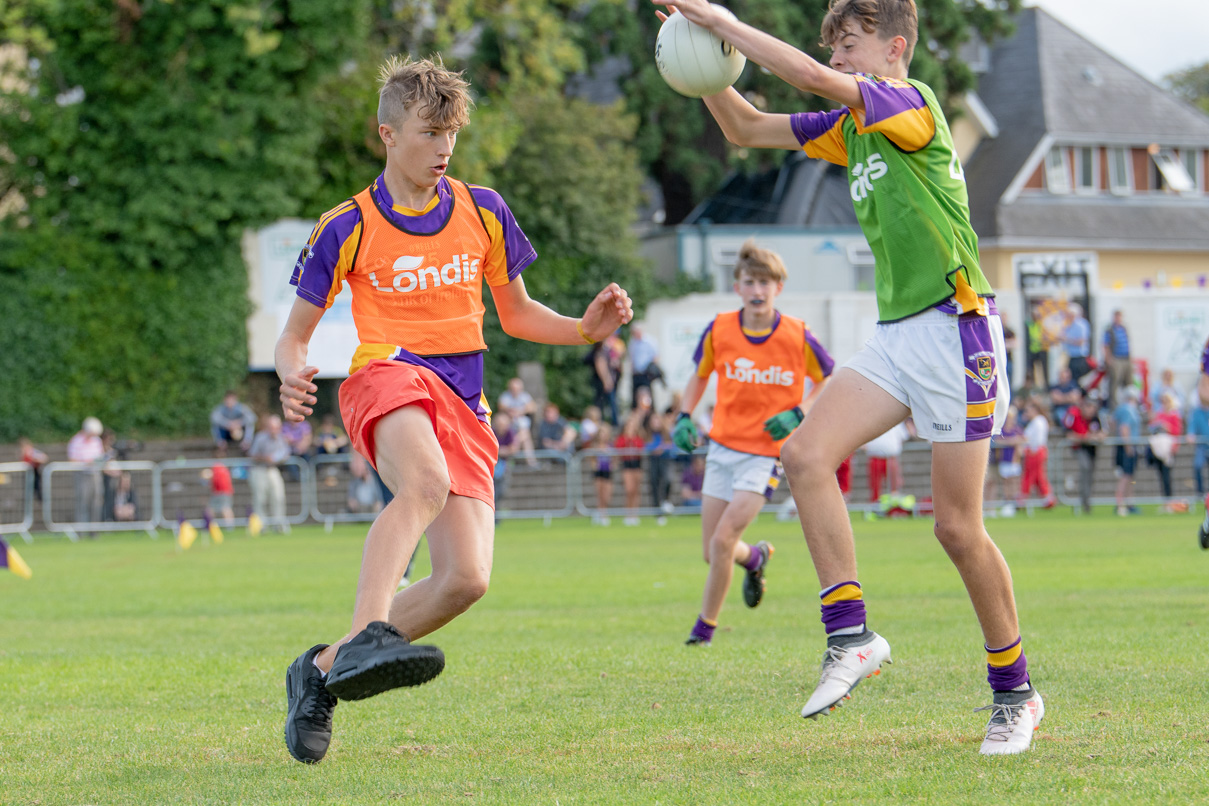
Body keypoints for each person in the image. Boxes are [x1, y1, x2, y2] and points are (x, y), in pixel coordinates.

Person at [652, 0, 1041, 753]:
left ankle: (1015, 693)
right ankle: (851, 636)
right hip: (897, 334)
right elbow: (742, 127)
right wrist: (694, 56)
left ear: (894, 48)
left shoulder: (911, 104)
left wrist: (722, 20)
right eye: (831, 46)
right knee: (802, 456)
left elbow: (795, 74)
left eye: (849, 44)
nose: (834, 58)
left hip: (958, 330)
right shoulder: (850, 128)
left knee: (956, 528)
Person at [274, 54, 632, 764]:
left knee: (466, 579)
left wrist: (587, 330)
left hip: (463, 399)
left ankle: (319, 672)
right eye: (428, 132)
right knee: (424, 485)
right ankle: (369, 631)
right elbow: (292, 337)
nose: (442, 148)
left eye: (451, 134)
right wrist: (291, 375)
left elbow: (520, 315)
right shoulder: (345, 224)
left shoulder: (483, 209)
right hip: (388, 376)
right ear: (386, 133)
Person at [671, 240, 833, 647]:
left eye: (765, 281)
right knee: (714, 552)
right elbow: (700, 375)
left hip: (765, 455)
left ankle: (703, 630)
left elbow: (828, 378)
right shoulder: (720, 328)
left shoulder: (797, 334)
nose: (757, 290)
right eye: (749, 281)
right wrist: (684, 415)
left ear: (778, 287)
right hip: (724, 448)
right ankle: (755, 558)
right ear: (737, 287)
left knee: (724, 540)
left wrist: (800, 411)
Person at [248, 414, 290, 532]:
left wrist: (280, 458)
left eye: (277, 427)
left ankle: (279, 524)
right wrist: (265, 458)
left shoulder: (281, 438)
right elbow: (252, 455)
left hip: (273, 470)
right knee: (260, 499)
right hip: (259, 470)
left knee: (278, 497)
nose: (275, 430)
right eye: (272, 427)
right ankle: (261, 526)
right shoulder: (260, 437)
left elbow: (286, 453)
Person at [1063, 395, 1103, 514]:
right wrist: (1085, 438)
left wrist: (1097, 436)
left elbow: (1101, 432)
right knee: (1084, 469)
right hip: (1079, 447)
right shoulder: (1074, 415)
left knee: (1090, 474)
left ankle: (1087, 500)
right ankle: (1084, 502)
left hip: (1092, 448)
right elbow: (1068, 434)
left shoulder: (1095, 418)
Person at [66, 416, 105, 527]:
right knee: (82, 502)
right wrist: (86, 463)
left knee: (96, 502)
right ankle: (81, 530)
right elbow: (72, 460)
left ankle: (95, 530)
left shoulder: (97, 441)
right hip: (82, 474)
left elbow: (100, 456)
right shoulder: (76, 441)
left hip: (95, 473)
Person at [1018, 396, 1055, 508]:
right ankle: (1047, 499)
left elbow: (1036, 439)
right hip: (1034, 450)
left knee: (1030, 475)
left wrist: (1031, 450)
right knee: (1038, 476)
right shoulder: (1036, 421)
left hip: (1035, 451)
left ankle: (1022, 499)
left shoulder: (1038, 422)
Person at [1147, 392, 1183, 508]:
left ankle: (1170, 501)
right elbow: (1152, 427)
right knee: (1161, 475)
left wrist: (1167, 427)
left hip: (1168, 448)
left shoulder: (1174, 415)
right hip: (1159, 449)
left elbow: (1177, 432)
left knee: (1167, 476)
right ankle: (1165, 501)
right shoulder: (1159, 414)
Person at [1111, 385, 1142, 517]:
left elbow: (1112, 423)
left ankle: (1129, 503)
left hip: (1127, 445)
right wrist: (1128, 446)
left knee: (1130, 476)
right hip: (1127, 446)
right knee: (1125, 475)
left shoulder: (1123, 409)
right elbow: (1124, 428)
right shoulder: (1127, 410)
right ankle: (1120, 503)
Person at [862, 421, 909, 503]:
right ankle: (875, 504)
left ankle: (893, 505)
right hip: (875, 457)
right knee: (875, 485)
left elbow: (903, 436)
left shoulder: (895, 420)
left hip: (891, 457)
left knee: (894, 484)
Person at [614, 411, 646, 526]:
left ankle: (635, 515)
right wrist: (628, 439)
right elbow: (619, 447)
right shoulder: (622, 437)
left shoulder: (638, 437)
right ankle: (628, 514)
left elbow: (641, 448)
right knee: (629, 490)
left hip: (636, 465)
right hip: (627, 465)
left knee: (636, 491)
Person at [497, 377, 538, 465]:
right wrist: (511, 411)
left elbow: (533, 407)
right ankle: (531, 462)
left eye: (517, 389)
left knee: (525, 435)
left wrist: (521, 411)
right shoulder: (505, 396)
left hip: (521, 425)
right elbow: (501, 406)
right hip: (509, 424)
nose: (515, 391)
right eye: (513, 388)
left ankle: (513, 447)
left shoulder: (524, 396)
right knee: (525, 436)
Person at [1103, 309, 1132, 407]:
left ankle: (1129, 403)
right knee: (1115, 381)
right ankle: (1113, 405)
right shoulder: (1110, 330)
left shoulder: (1124, 328)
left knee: (1128, 381)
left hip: (1125, 358)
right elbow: (1105, 345)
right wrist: (1108, 359)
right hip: (1116, 359)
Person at [627, 323, 662, 402]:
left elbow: (656, 356)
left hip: (646, 373)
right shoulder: (632, 343)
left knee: (648, 395)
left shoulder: (650, 341)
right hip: (636, 373)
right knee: (635, 396)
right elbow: (631, 357)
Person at [590, 423, 615, 525]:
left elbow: (614, 459)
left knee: (607, 495)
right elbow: (591, 459)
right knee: (599, 494)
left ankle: (604, 512)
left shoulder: (610, 445)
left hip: (607, 471)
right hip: (598, 471)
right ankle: (601, 514)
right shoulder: (595, 446)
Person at [1060, 302, 1092, 382]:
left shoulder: (1081, 324)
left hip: (1079, 357)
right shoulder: (1068, 325)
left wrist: (1067, 339)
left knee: (1078, 379)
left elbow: (1081, 341)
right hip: (1070, 356)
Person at [1048, 366, 1082, 431]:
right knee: (1061, 415)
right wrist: (1069, 397)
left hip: (1072, 409)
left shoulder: (1073, 385)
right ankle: (1067, 431)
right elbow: (1055, 399)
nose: (1063, 378)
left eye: (1065, 377)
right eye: (1062, 376)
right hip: (1060, 410)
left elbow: (1075, 398)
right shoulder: (1055, 387)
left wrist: (1062, 397)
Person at [18, 437, 48, 502]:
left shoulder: (33, 452)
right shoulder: (25, 453)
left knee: (37, 488)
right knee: (28, 489)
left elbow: (44, 458)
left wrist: (35, 459)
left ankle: (41, 501)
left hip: (34, 472)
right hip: (28, 473)